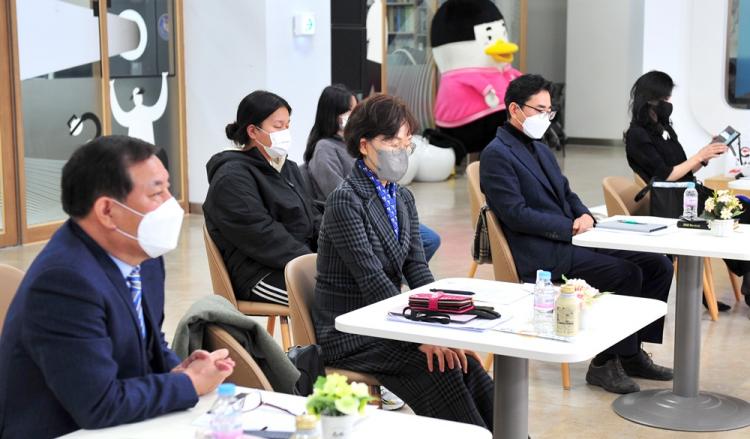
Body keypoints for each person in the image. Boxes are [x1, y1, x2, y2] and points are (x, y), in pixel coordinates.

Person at [0, 136, 234, 438]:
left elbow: (148, 337)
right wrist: (189, 384)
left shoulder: (143, 255)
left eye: (168, 188)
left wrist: (178, 369)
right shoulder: (64, 281)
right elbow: (98, 404)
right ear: (107, 211)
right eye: (157, 193)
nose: (170, 203)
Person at [480, 74, 674, 395]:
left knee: (658, 264)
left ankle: (631, 353)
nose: (546, 117)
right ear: (515, 109)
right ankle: (604, 363)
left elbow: (566, 193)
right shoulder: (496, 154)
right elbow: (515, 214)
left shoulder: (540, 148)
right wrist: (568, 227)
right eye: (539, 110)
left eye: (550, 111)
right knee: (626, 273)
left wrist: (583, 214)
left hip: (570, 239)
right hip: (541, 252)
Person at [313, 94, 493, 428]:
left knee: (465, 361)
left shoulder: (402, 196)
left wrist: (443, 325)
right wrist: (419, 336)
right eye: (392, 142)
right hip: (351, 333)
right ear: (364, 145)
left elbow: (417, 267)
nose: (401, 151)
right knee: (440, 368)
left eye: (406, 143)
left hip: (386, 322)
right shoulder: (345, 201)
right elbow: (373, 280)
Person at [625, 70, 750, 309]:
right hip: (672, 203)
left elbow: (683, 169)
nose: (669, 103)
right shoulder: (637, 135)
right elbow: (665, 176)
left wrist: (706, 155)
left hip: (687, 193)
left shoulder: (664, 129)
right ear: (650, 99)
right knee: (742, 214)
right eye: (665, 98)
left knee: (744, 209)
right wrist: (699, 156)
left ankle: (745, 275)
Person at [204, 90, 320, 306]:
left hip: (297, 262)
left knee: (351, 283)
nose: (285, 132)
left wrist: (331, 254)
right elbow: (261, 233)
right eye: (278, 126)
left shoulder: (287, 167)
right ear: (253, 131)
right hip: (258, 273)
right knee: (334, 298)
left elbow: (311, 216)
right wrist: (309, 262)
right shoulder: (231, 177)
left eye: (287, 125)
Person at [305, 84, 442, 262]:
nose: (353, 114)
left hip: (380, 206)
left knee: (425, 242)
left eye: (355, 109)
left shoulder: (404, 196)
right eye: (348, 110)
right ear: (332, 114)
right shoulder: (325, 148)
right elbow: (335, 190)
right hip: (359, 213)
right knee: (422, 242)